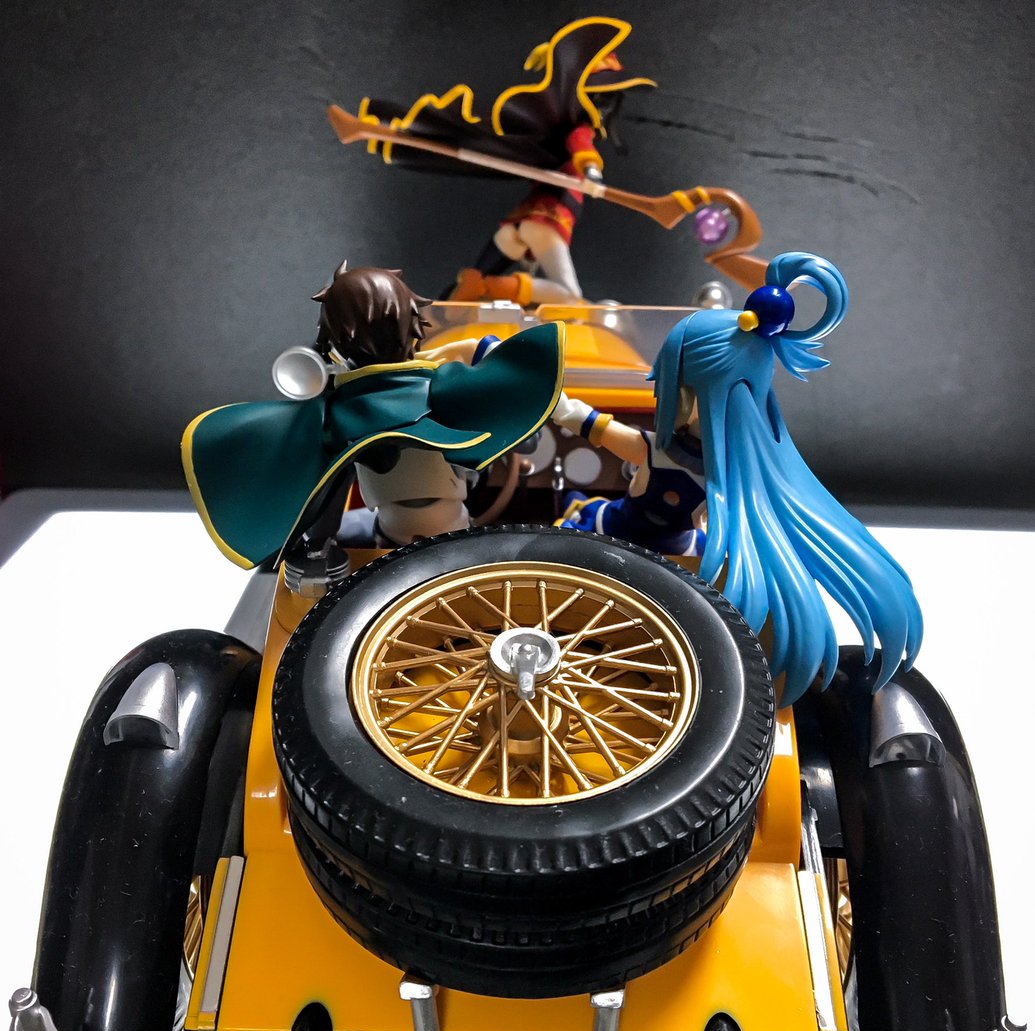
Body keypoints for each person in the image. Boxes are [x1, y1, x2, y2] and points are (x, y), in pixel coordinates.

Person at [554, 252, 923, 703]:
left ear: (688, 395)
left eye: (673, 384)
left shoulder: (663, 453)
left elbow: (594, 426)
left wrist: (556, 402)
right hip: (675, 559)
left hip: (612, 536)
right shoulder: (732, 478)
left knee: (552, 549)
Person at [182, 264, 564, 567]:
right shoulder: (438, 386)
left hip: (391, 533)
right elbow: (518, 415)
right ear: (413, 323)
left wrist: (316, 545)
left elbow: (327, 489)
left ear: (335, 340)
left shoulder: (340, 411)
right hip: (452, 530)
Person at [357, 17, 656, 305]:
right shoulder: (579, 128)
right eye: (607, 98)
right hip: (547, 223)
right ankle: (485, 289)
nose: (608, 107)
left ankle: (450, 307)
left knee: (472, 280)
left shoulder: (549, 137)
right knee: (569, 296)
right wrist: (592, 175)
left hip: (518, 225)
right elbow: (582, 147)